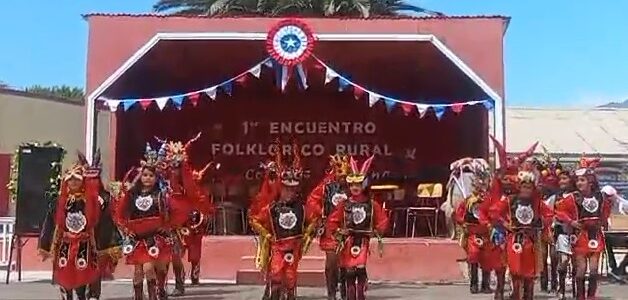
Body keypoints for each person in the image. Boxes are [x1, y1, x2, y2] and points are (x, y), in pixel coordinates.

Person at [249, 141, 317, 300]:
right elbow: (254, 220)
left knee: (291, 277)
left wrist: (306, 235)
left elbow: (314, 220)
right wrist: (266, 235)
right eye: (287, 189)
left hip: (294, 248)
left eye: (292, 189)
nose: (289, 192)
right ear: (281, 188)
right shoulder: (272, 209)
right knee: (276, 274)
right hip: (277, 246)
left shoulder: (301, 208)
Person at [112, 143, 174, 300]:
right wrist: (126, 230)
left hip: (154, 237)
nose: (147, 178)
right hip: (136, 238)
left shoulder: (160, 195)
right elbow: (120, 214)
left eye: (151, 176)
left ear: (156, 178)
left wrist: (166, 230)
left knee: (149, 268)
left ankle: (155, 294)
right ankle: (138, 296)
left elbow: (167, 216)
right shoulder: (132, 195)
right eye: (145, 175)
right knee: (138, 271)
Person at [38, 152, 103, 300]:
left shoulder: (90, 201)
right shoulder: (59, 202)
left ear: (82, 181)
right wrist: (45, 246)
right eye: (70, 179)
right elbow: (50, 224)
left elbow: (96, 224)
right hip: (65, 245)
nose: (73, 182)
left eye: (77, 179)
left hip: (84, 245)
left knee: (82, 279)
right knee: (65, 279)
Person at [326, 155, 389, 300]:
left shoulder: (372, 204)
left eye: (358, 184)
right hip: (348, 240)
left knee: (359, 268)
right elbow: (332, 221)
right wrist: (337, 232)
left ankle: (360, 294)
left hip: (362, 240)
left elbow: (382, 220)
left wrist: (377, 231)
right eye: (352, 185)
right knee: (348, 271)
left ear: (364, 185)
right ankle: (349, 295)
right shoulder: (344, 204)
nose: (355, 187)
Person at [161, 136, 216, 296]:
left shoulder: (187, 182)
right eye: (171, 164)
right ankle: (160, 286)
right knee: (161, 255)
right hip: (163, 215)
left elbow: (195, 194)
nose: (173, 168)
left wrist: (202, 210)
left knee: (176, 254)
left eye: (177, 165)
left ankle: (180, 283)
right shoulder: (163, 177)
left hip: (180, 218)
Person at [488, 171, 553, 300]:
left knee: (529, 274)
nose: (527, 190)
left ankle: (528, 296)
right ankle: (515, 294)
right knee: (516, 271)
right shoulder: (510, 200)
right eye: (524, 187)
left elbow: (550, 215)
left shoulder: (537, 203)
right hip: (515, 239)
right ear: (519, 187)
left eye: (529, 187)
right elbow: (493, 212)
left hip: (531, 240)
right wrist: (505, 223)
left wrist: (542, 223)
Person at [553, 155, 610, 299]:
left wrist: (603, 222)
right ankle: (580, 297)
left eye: (582, 180)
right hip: (580, 237)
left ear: (590, 182)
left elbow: (606, 210)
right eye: (577, 180)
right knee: (580, 272)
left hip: (595, 236)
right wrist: (571, 222)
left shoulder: (601, 197)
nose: (579, 183)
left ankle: (591, 297)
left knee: (594, 271)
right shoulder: (572, 197)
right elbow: (558, 211)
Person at [306, 153, 350, 300]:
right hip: (331, 231)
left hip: (350, 230)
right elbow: (312, 201)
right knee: (332, 263)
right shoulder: (326, 186)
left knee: (349, 264)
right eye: (340, 174)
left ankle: (347, 292)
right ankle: (331, 294)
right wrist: (321, 215)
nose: (342, 178)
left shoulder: (354, 186)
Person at [453, 158, 500, 295]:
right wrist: (462, 223)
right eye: (477, 184)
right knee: (473, 257)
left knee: (487, 260)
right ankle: (474, 284)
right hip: (473, 234)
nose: (480, 186)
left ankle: (485, 285)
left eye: (482, 183)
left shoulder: (489, 200)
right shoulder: (468, 201)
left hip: (486, 233)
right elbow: (459, 214)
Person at [544, 167, 577, 300]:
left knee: (576, 263)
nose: (562, 181)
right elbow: (547, 213)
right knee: (563, 261)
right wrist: (550, 228)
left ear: (571, 180)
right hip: (561, 233)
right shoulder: (555, 197)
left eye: (565, 178)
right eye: (561, 179)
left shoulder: (577, 195)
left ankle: (576, 289)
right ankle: (561, 288)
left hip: (576, 233)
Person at [602, 185, 628, 278]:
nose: (607, 198)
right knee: (605, 240)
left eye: (609, 196)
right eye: (605, 196)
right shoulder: (603, 206)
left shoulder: (624, 205)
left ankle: (621, 267)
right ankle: (613, 267)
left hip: (625, 235)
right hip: (611, 235)